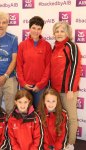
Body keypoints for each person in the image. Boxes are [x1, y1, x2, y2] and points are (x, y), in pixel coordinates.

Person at [50, 21, 81, 150]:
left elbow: (75, 68)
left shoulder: (71, 46)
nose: (59, 33)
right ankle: (61, 140)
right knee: (60, 118)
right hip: (55, 91)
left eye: (62, 31)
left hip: (68, 91)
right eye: (57, 31)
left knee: (71, 117)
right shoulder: (55, 47)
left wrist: (70, 89)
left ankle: (70, 143)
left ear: (67, 33)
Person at [16, 16, 52, 108]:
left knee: (40, 111)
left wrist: (40, 84)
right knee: (25, 111)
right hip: (25, 85)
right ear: (29, 28)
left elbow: (48, 67)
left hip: (40, 87)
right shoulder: (22, 45)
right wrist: (23, 83)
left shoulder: (47, 46)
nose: (36, 31)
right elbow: (19, 66)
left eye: (39, 29)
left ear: (41, 30)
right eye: (34, 28)